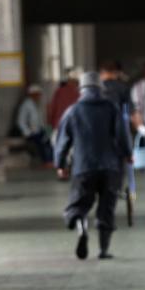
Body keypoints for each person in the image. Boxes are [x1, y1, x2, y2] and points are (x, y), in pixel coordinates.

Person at [54, 71, 133, 260]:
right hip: (111, 167)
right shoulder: (111, 107)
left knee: (80, 203)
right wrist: (128, 154)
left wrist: (60, 163)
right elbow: (122, 134)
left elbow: (62, 140)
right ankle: (103, 250)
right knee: (107, 207)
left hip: (83, 166)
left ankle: (82, 229)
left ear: (82, 89)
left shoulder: (73, 111)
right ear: (101, 88)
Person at [13, 84, 52, 163]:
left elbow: (41, 120)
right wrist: (27, 132)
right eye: (37, 94)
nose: (39, 96)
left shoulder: (37, 104)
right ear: (32, 95)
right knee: (41, 143)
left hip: (39, 130)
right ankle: (46, 161)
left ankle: (51, 160)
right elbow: (20, 121)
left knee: (48, 140)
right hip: (31, 132)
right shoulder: (26, 105)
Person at [47, 69, 81, 133]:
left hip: (59, 125)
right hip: (73, 127)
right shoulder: (78, 94)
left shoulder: (59, 91)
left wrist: (49, 125)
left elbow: (52, 109)